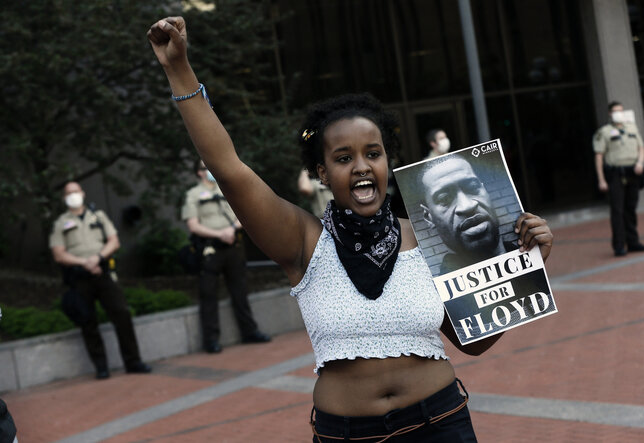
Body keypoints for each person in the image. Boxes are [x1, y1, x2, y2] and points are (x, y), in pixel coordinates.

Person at [148, 17, 553, 441]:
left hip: (441, 423)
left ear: (386, 163)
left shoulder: (429, 235)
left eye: (372, 153)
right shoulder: (302, 241)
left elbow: (471, 343)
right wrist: (179, 70)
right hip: (347, 435)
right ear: (322, 172)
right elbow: (229, 170)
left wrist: (525, 268)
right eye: (343, 158)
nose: (361, 166)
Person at [49, 182, 151, 379]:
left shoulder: (98, 216)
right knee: (87, 321)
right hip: (78, 277)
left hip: (102, 273)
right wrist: (84, 262)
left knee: (121, 313)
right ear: (64, 198)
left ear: (83, 193)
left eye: (76, 191)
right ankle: (101, 367)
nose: (73, 195)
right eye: (69, 193)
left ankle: (133, 361)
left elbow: (114, 241)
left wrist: (98, 258)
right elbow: (59, 254)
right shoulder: (61, 223)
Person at [182, 160, 271, 353]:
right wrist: (219, 234)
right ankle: (211, 340)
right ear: (199, 173)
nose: (211, 171)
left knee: (240, 290)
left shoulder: (226, 190)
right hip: (210, 249)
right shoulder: (193, 195)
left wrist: (231, 229)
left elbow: (242, 214)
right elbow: (193, 225)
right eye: (206, 168)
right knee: (208, 293)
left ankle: (249, 332)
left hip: (233, 245)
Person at [419, 156, 518, 274]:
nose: (467, 206)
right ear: (429, 217)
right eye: (444, 198)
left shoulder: (530, 253)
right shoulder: (435, 290)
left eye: (473, 187)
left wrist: (538, 253)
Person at [593, 101, 644, 257]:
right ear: (610, 114)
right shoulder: (604, 132)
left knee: (630, 208)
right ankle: (619, 245)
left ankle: (633, 242)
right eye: (616, 111)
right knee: (617, 210)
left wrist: (640, 162)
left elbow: (641, 147)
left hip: (633, 172)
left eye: (621, 111)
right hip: (615, 174)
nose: (619, 114)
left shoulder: (631, 128)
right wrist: (601, 179)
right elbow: (599, 156)